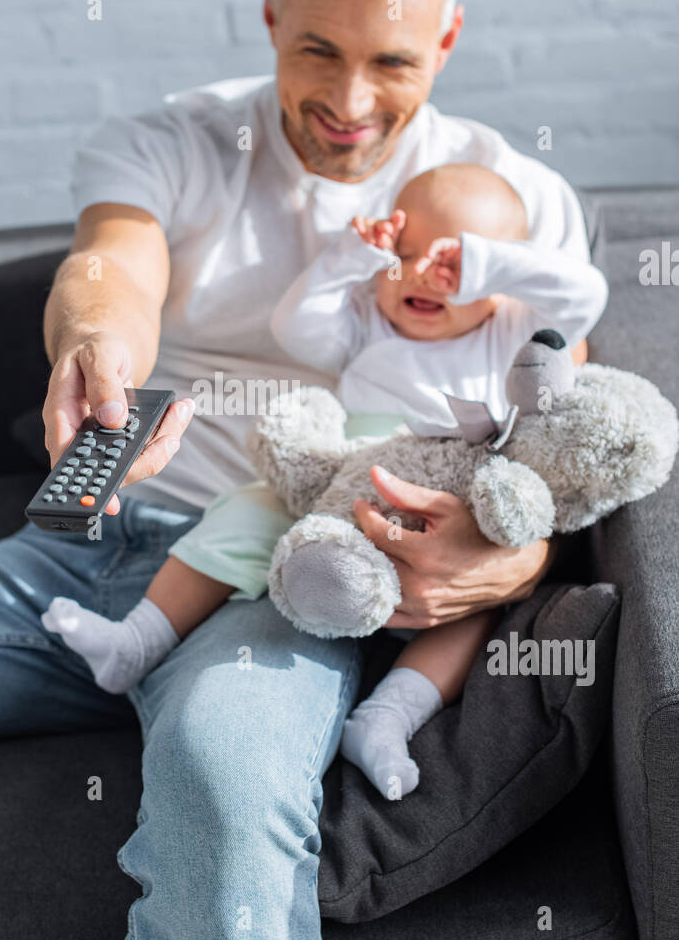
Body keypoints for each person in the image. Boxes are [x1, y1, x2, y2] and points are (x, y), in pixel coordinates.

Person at [0, 0, 594, 940]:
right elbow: (109, 272)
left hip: (280, 585)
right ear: (270, 13)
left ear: (447, 38)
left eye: (392, 62)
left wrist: (517, 552)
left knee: (224, 789)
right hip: (103, 546)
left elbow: (562, 422)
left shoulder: (515, 202)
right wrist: (92, 350)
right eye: (318, 48)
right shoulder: (175, 140)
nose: (347, 100)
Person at [40, 162, 608, 801]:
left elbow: (585, 297)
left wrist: (484, 265)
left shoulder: (512, 326)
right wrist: (350, 258)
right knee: (246, 510)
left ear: (500, 273)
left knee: (470, 608)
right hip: (343, 479)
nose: (423, 273)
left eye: (450, 265)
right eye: (407, 251)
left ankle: (386, 717)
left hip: (445, 509)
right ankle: (137, 640)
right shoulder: (369, 318)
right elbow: (296, 325)